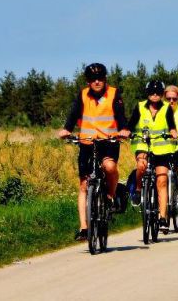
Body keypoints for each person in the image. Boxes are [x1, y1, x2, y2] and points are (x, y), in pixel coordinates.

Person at [58, 63, 130, 242]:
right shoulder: (83, 94)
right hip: (87, 142)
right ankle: (83, 227)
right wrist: (67, 129)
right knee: (84, 185)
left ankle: (111, 196)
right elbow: (74, 114)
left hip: (109, 140)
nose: (96, 82)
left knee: (110, 167)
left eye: (100, 78)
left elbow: (120, 115)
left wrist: (123, 129)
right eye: (92, 79)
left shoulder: (114, 93)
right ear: (88, 81)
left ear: (105, 79)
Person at [128, 80, 178, 233]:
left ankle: (163, 218)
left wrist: (173, 133)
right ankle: (137, 190)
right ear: (147, 93)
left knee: (162, 180)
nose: (155, 95)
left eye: (158, 93)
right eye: (152, 92)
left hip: (162, 149)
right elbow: (131, 124)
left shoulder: (166, 109)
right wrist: (127, 131)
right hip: (143, 145)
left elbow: (172, 126)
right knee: (141, 165)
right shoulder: (139, 107)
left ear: (162, 94)